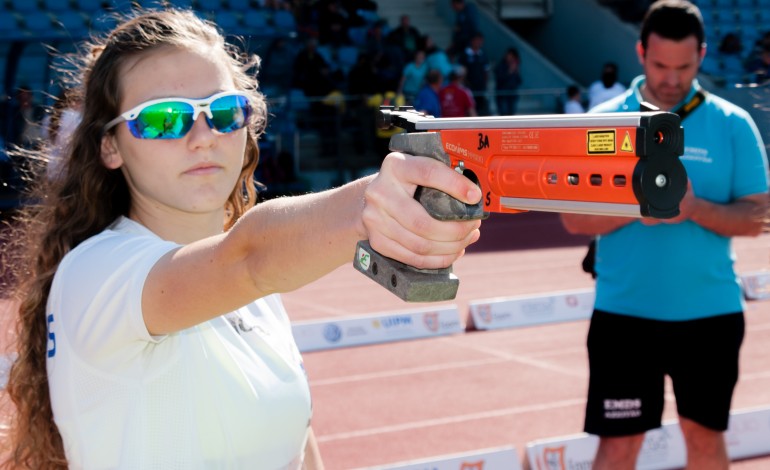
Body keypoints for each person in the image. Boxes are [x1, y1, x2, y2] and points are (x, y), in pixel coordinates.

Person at [0, 9, 482, 469]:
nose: (203, 135)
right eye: (163, 118)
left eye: (226, 111)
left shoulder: (256, 296)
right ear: (109, 147)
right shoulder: (95, 272)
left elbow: (299, 448)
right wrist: (369, 209)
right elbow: (248, 258)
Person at [559, 2, 769, 469]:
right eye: (659, 66)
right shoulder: (604, 121)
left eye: (684, 66)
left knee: (705, 440)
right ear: (640, 52)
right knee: (617, 447)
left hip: (710, 317)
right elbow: (573, 220)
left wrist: (694, 209)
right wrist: (635, 205)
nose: (671, 79)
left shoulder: (733, 124)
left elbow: (759, 217)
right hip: (625, 318)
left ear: (702, 56)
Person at [457, 32, 490, 115]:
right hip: (468, 88)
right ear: (472, 41)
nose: (479, 43)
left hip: (480, 88)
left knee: (480, 110)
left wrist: (485, 85)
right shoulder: (464, 55)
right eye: (477, 40)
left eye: (480, 41)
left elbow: (486, 72)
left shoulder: (483, 55)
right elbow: (461, 72)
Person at [494, 47, 523, 116]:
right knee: (503, 115)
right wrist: (510, 71)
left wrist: (516, 72)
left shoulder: (515, 67)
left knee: (511, 114)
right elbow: (500, 79)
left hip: (512, 94)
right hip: (502, 94)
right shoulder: (501, 66)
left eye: (512, 56)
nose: (510, 57)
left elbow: (519, 81)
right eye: (509, 55)